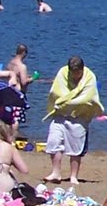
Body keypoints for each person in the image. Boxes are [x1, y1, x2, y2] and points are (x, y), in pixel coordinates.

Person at [44, 54, 103, 184]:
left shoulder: (89, 76)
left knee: (76, 148)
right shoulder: (62, 73)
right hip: (61, 114)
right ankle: (56, 173)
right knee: (54, 141)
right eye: (73, 73)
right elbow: (56, 92)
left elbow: (89, 97)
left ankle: (73, 176)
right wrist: (67, 101)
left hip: (79, 116)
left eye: (78, 73)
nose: (75, 76)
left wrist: (69, 101)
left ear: (82, 69)